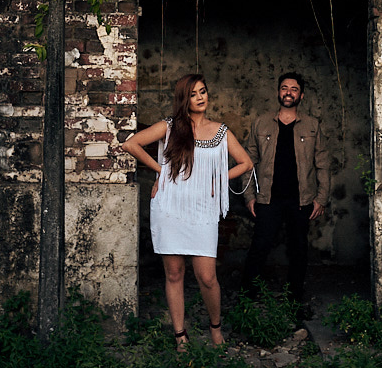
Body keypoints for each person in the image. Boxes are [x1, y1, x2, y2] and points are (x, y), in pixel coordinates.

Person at [122, 74, 253, 348]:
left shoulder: (221, 131)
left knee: (207, 276)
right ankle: (180, 336)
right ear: (184, 99)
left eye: (203, 91)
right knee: (174, 274)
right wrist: (162, 171)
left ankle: (215, 328)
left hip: (202, 209)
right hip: (170, 206)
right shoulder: (169, 127)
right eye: (194, 94)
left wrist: (217, 179)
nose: (200, 97)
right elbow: (130, 144)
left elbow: (246, 163)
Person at [242, 72, 330, 302]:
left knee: (298, 250)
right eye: (284, 88)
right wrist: (249, 196)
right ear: (278, 92)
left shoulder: (312, 125)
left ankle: (295, 300)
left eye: (293, 89)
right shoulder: (260, 123)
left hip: (301, 200)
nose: (288, 92)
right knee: (259, 247)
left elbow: (322, 164)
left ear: (301, 95)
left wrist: (321, 198)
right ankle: (248, 299)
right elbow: (248, 162)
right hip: (268, 198)